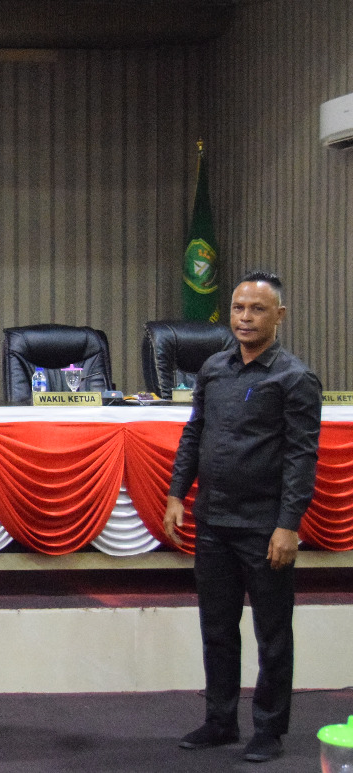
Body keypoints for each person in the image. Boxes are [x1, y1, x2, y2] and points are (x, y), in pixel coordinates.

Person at [163, 271, 322, 764]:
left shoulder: (294, 378)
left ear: (279, 316)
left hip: (265, 526)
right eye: (238, 308)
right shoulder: (214, 368)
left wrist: (289, 525)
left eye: (257, 309)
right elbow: (195, 432)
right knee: (217, 628)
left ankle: (269, 729)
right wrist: (176, 493)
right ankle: (220, 720)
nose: (245, 318)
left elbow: (301, 457)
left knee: (272, 634)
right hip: (213, 521)